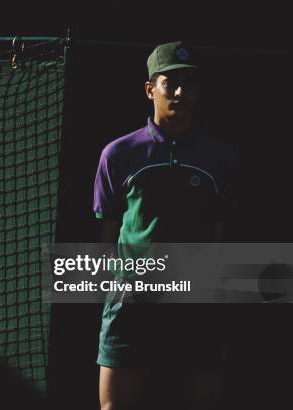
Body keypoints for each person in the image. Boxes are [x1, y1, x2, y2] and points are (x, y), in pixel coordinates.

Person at [93, 41, 237, 409]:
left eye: (188, 83)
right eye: (169, 82)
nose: (179, 92)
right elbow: (108, 236)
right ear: (149, 89)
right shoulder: (119, 154)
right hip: (131, 305)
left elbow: (220, 235)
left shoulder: (220, 158)